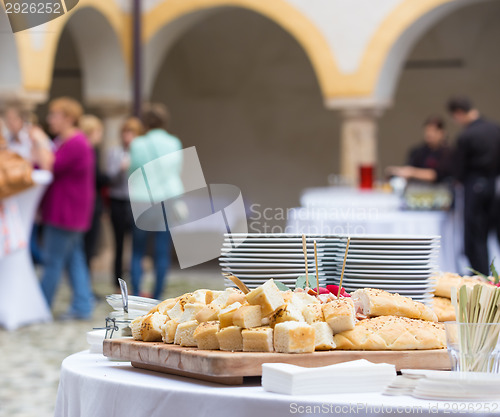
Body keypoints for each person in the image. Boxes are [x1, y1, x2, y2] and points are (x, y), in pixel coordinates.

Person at [31, 97, 95, 320]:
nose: (50, 119)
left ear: (68, 118)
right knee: (74, 260)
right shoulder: (65, 141)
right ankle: (82, 305)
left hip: (65, 213)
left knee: (52, 261)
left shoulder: (75, 142)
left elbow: (52, 166)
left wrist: (39, 142)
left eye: (54, 115)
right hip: (68, 213)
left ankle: (40, 307)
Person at [129, 104, 183, 300]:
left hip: (143, 199)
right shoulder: (173, 142)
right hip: (167, 198)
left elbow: (132, 170)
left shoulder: (138, 144)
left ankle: (136, 293)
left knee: (138, 249)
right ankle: (158, 294)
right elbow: (176, 169)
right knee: (161, 249)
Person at [447, 96, 500, 275]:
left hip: (474, 187)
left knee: (474, 236)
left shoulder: (467, 135)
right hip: (494, 186)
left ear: (458, 113)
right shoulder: (495, 129)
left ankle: (480, 276)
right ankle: (490, 275)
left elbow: (458, 170)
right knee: (489, 234)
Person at [106, 117, 143, 290]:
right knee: (119, 242)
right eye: (125, 132)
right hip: (119, 199)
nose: (128, 136)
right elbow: (109, 178)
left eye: (132, 133)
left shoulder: (141, 152)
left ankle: (136, 279)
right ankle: (117, 279)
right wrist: (121, 168)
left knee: (137, 242)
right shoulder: (115, 152)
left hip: (136, 200)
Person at [79, 115, 109, 271]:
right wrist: (113, 175)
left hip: (87, 204)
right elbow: (96, 177)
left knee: (84, 249)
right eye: (99, 131)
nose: (101, 136)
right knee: (87, 248)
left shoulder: (86, 149)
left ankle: (83, 288)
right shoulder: (89, 150)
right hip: (90, 205)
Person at [386, 116, 453, 183]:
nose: (430, 134)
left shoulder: (448, 153)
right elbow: (407, 170)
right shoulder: (418, 151)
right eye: (427, 130)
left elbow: (436, 175)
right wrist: (398, 172)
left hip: (441, 189)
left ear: (442, 133)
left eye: (433, 131)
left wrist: (412, 172)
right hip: (417, 189)